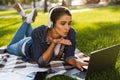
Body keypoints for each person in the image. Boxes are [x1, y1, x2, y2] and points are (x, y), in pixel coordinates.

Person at [7, 3, 88, 71]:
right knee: (9, 47)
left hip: (35, 41)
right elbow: (41, 62)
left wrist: (75, 62)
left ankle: (25, 17)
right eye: (63, 23)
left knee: (33, 36)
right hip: (25, 46)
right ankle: (27, 21)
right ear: (52, 23)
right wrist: (54, 43)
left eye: (69, 23)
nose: (67, 28)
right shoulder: (38, 32)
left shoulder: (71, 32)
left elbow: (69, 56)